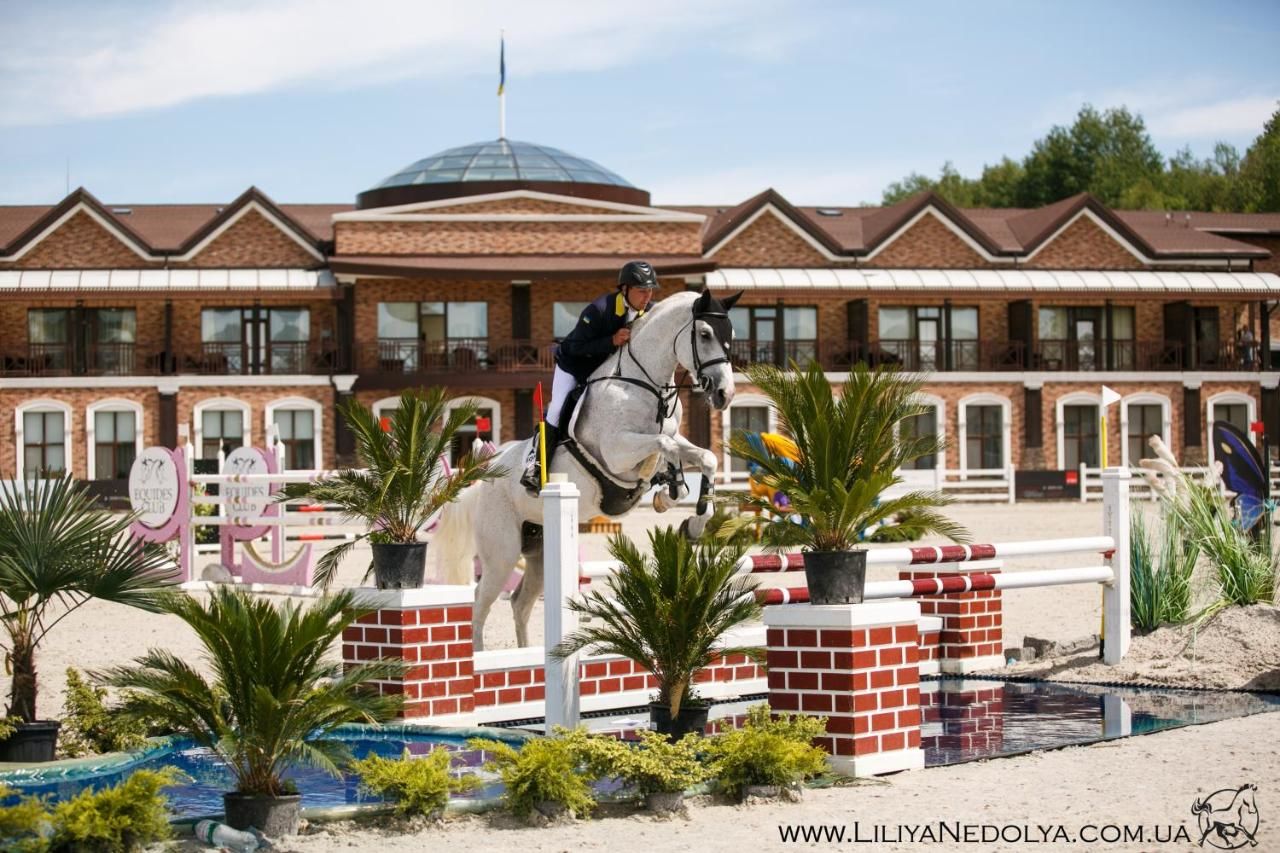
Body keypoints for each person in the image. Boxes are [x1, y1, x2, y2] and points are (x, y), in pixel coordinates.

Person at [521, 260, 660, 493]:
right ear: (624, 289)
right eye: (641, 291)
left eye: (650, 290)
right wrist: (611, 341)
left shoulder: (649, 312)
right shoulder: (599, 309)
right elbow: (575, 347)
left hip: (606, 373)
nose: (647, 296)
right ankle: (536, 467)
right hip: (574, 367)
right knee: (556, 411)